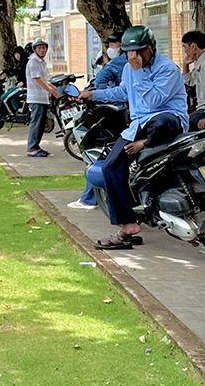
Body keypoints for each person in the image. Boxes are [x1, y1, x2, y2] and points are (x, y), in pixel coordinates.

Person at [78, 26, 187, 249]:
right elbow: (122, 93)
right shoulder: (129, 69)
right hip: (137, 127)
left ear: (151, 48)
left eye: (139, 52)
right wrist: (94, 94)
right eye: (129, 52)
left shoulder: (167, 69)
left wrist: (138, 72)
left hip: (166, 123)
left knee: (161, 120)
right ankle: (128, 224)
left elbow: (155, 101)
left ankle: (145, 144)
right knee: (111, 167)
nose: (134, 57)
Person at [25, 38, 61, 157]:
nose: (42, 50)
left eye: (44, 47)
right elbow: (38, 80)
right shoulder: (33, 62)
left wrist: (55, 89)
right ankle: (32, 148)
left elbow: (45, 80)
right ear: (34, 49)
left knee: (40, 124)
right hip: (36, 98)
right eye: (39, 48)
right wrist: (52, 91)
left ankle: (36, 146)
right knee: (36, 124)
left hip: (42, 98)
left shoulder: (41, 62)